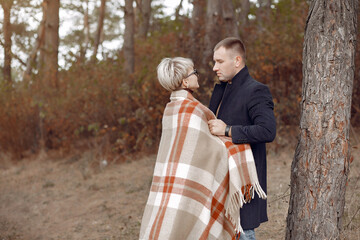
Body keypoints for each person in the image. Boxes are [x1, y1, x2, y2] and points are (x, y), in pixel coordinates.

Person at [139, 57, 267, 240]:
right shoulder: (191, 109)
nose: (197, 76)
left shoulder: (171, 108)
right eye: (194, 72)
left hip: (178, 183)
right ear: (185, 81)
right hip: (188, 180)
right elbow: (212, 150)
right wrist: (237, 144)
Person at [208, 37, 276, 240]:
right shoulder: (222, 89)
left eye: (219, 62)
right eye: (214, 62)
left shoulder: (256, 90)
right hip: (220, 180)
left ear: (237, 61)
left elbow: (267, 131)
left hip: (243, 182)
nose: (214, 67)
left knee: (243, 232)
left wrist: (228, 129)